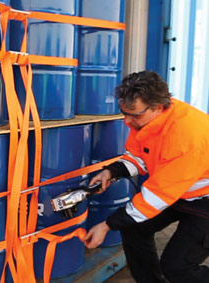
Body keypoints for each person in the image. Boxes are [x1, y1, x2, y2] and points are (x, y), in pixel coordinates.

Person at [83, 71, 209, 283]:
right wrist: (112, 171)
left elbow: (155, 197)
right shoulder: (146, 121)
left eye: (134, 114)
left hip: (203, 200)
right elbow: (139, 155)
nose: (126, 121)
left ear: (158, 107)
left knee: (177, 268)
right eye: (123, 112)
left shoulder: (187, 137)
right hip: (177, 191)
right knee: (133, 227)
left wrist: (107, 225)